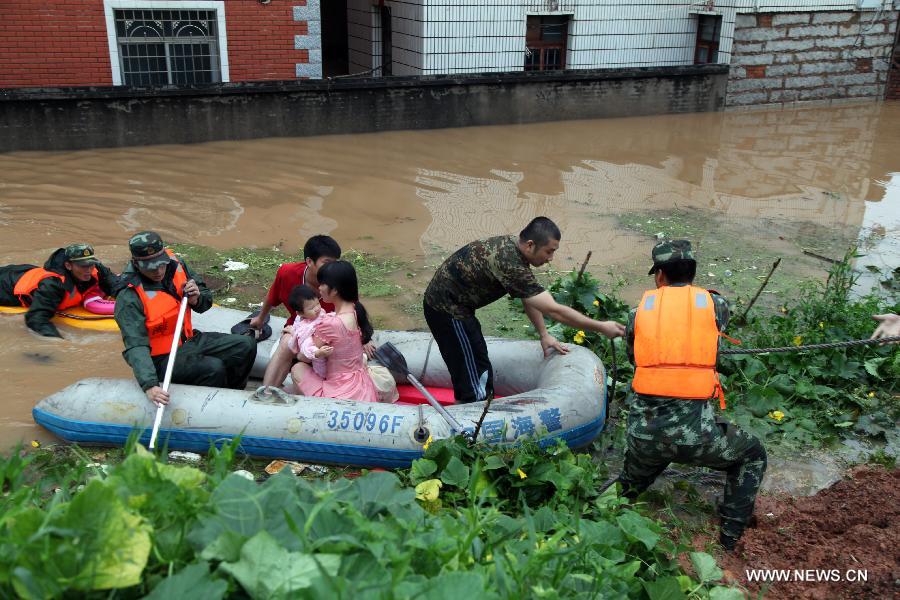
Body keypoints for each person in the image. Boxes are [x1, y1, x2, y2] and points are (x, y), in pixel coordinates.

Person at [616, 240, 767, 552]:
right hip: (697, 438)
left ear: (659, 275)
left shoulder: (637, 312)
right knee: (753, 454)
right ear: (694, 273)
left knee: (629, 483)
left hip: (643, 436)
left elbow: (635, 358)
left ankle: (613, 510)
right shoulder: (716, 305)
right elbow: (714, 333)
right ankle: (729, 537)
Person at [422, 216, 625, 404]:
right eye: (549, 251)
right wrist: (600, 327)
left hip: (460, 308)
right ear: (530, 245)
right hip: (446, 310)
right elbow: (555, 311)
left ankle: (479, 406)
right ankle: (471, 424)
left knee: (479, 362)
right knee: (470, 373)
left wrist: (544, 334)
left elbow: (528, 296)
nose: (551, 258)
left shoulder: (515, 250)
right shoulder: (509, 263)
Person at [114, 231, 257, 406]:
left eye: (161, 264)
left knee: (245, 345)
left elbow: (204, 301)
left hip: (189, 340)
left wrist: (197, 298)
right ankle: (211, 406)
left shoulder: (177, 265)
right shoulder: (129, 296)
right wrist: (149, 384)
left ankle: (232, 397)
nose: (158, 271)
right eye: (151, 267)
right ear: (136, 263)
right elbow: (136, 345)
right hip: (160, 359)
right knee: (213, 368)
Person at [249, 235, 341, 387]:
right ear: (309, 261)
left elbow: (353, 309)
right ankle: (267, 392)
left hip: (329, 336)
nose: (333, 269)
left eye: (336, 263)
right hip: (300, 329)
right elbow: (272, 297)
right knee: (287, 341)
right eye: (327, 263)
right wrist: (260, 319)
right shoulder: (287, 273)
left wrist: (365, 337)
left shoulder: (340, 280)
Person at [290, 260, 378, 403]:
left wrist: (295, 337)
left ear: (335, 290)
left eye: (323, 283)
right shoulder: (356, 310)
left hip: (341, 392)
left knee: (298, 368)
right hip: (361, 387)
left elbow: (305, 357)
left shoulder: (331, 324)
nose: (319, 288)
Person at [0, 243, 119, 338]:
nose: (88, 269)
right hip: (5, 287)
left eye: (91, 264)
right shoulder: (53, 285)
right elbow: (36, 319)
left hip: (24, 271)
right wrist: (59, 344)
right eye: (83, 265)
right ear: (68, 266)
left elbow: (116, 285)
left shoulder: (97, 268)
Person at [286, 284, 331, 379]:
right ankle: (323, 378)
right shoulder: (305, 329)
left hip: (328, 344)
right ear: (300, 313)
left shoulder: (319, 313)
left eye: (317, 303)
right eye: (311, 308)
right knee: (321, 368)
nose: (317, 308)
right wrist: (318, 353)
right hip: (318, 354)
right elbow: (305, 345)